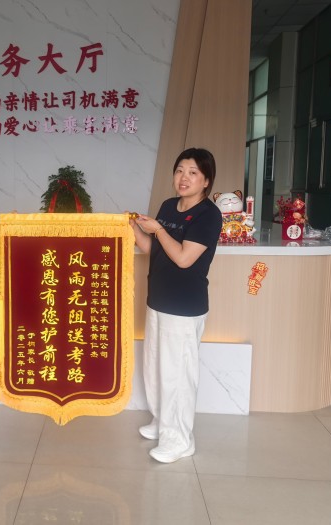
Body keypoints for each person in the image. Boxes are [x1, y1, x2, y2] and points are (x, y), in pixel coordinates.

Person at [130, 147, 222, 463]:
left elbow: (183, 258)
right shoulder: (169, 206)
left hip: (184, 307)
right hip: (158, 301)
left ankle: (180, 439)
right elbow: (153, 249)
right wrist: (134, 229)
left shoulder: (209, 215)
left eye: (193, 172)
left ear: (206, 181)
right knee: (156, 367)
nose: (184, 177)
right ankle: (162, 422)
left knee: (178, 375)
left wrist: (158, 229)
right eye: (180, 170)